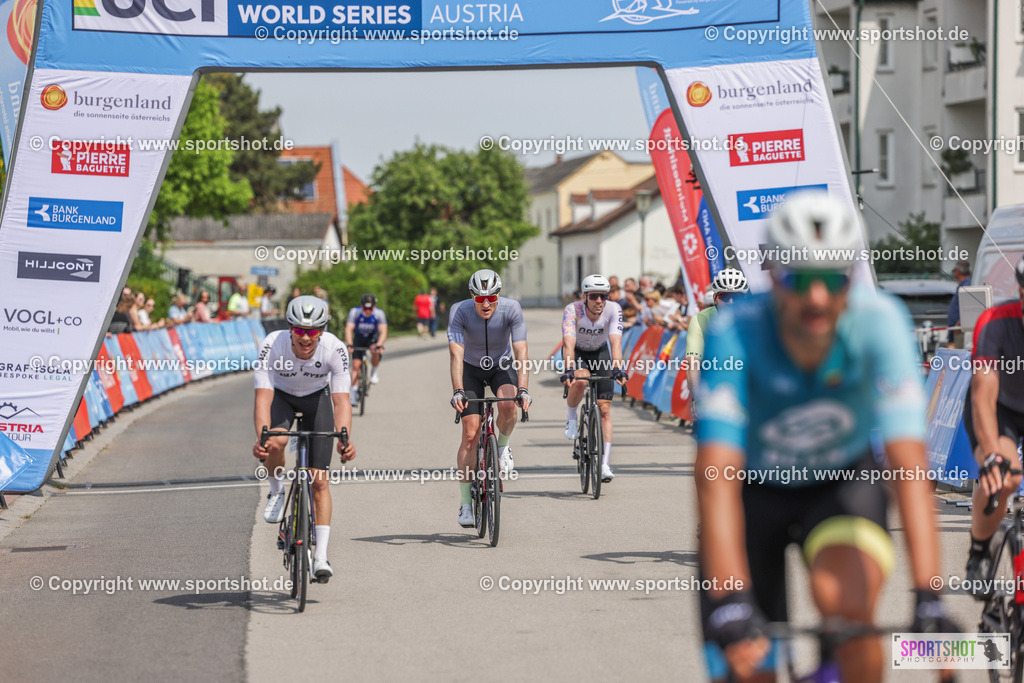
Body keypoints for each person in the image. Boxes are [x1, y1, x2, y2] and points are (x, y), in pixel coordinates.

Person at [695, 191, 957, 682]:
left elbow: (909, 465)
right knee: (749, 661)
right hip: (754, 490)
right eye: (799, 279)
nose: (816, 297)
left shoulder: (880, 322)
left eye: (833, 279)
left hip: (841, 483)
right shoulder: (734, 329)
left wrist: (929, 596)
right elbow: (715, 473)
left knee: (848, 612)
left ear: (852, 278)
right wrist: (730, 598)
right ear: (773, 276)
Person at [252, 296, 356, 582]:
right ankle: (276, 490)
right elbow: (263, 397)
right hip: (282, 397)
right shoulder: (272, 344)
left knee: (319, 481)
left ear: (322, 330)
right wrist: (262, 437)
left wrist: (344, 438)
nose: (306, 337)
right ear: (290, 328)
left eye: (313, 331)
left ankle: (320, 556)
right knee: (275, 442)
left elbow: (342, 401)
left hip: (317, 399)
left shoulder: (334, 348)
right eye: (299, 330)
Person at [448, 268, 531, 528]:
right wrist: (458, 390)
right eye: (480, 298)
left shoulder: (512, 308)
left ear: (499, 295)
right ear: (472, 296)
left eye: (491, 298)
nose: (486, 304)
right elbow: (456, 354)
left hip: (501, 366)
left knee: (508, 404)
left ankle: (503, 446)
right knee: (470, 435)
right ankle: (465, 503)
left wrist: (524, 389)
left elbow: (521, 351)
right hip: (470, 369)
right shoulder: (459, 311)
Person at [963, 256, 1024, 587]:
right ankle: (980, 550)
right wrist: (990, 457)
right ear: (1020, 292)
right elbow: (983, 398)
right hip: (1000, 408)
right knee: (1003, 477)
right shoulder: (996, 322)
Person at [559, 275, 627, 482]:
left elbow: (615, 343)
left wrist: (618, 369)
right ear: (584, 296)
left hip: (600, 352)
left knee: (604, 409)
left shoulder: (613, 309)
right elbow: (568, 343)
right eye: (594, 296)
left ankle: (604, 464)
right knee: (581, 379)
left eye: (603, 296)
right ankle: (572, 418)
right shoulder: (572, 310)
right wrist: (569, 369)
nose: (599, 301)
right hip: (578, 351)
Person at [685, 268, 749, 413]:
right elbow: (693, 363)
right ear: (715, 298)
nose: (731, 301)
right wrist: (697, 398)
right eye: (725, 296)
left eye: (736, 296)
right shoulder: (701, 320)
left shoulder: (755, 317)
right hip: (716, 382)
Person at [345, 293, 388, 403]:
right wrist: (349, 344)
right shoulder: (355, 312)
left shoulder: (379, 314)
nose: (368, 311)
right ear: (361, 306)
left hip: (372, 338)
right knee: (355, 366)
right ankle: (353, 394)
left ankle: (374, 371)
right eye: (365, 308)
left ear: (374, 306)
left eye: (370, 308)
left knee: (375, 350)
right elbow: (349, 329)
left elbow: (383, 331)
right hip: (359, 338)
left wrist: (379, 345)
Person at [946, 259, 972, 347]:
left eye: (954, 271)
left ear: (958, 271)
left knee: (959, 352)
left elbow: (968, 307)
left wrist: (959, 324)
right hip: (957, 329)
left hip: (960, 330)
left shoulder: (967, 285)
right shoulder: (964, 284)